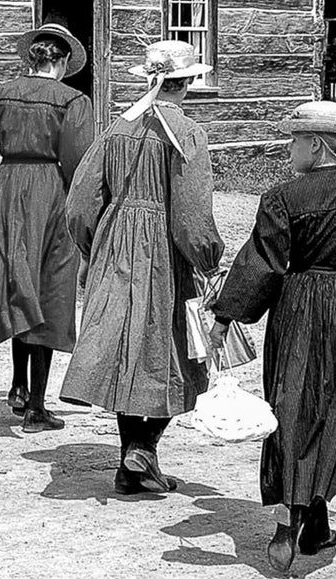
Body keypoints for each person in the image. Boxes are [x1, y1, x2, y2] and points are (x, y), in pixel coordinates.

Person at [209, 100, 336, 572]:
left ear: (317, 144)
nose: (290, 149)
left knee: (293, 404)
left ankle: (291, 523)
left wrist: (226, 316)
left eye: (296, 140)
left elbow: (262, 262)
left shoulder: (284, 197)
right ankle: (313, 523)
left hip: (299, 301)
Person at [59, 40, 225, 493]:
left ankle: (132, 458)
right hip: (162, 252)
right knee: (170, 349)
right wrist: (207, 258)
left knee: (124, 349)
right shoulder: (187, 133)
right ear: (188, 82)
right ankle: (144, 447)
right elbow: (191, 216)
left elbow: (78, 204)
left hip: (115, 245)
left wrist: (97, 247)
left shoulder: (117, 128)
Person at [0, 23, 95, 432]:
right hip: (49, 193)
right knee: (46, 290)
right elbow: (79, 164)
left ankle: (17, 387)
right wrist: (90, 216)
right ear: (61, 62)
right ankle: (36, 407)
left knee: (15, 283)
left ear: (32, 59)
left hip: (5, 189)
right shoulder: (73, 101)